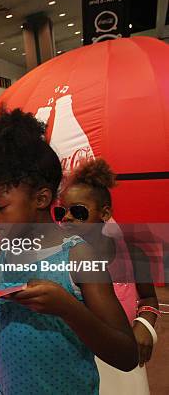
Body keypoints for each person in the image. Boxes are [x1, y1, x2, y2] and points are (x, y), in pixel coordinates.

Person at [0, 109, 138, 394]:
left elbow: (127, 354)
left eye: (2, 207)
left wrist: (68, 309)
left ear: (41, 198)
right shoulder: (4, 251)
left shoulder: (79, 257)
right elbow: (5, 306)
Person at [57, 158, 159, 394]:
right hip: (77, 357)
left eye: (79, 211)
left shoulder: (132, 254)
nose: (68, 218)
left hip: (122, 359)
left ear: (105, 212)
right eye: (61, 211)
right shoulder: (60, 257)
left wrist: (144, 325)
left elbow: (149, 299)